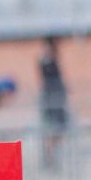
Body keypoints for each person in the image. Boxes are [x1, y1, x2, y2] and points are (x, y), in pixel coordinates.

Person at [37, 37, 69, 169]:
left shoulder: (54, 61)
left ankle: (53, 157)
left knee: (60, 130)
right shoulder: (45, 62)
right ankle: (49, 158)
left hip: (58, 101)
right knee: (51, 130)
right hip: (50, 101)